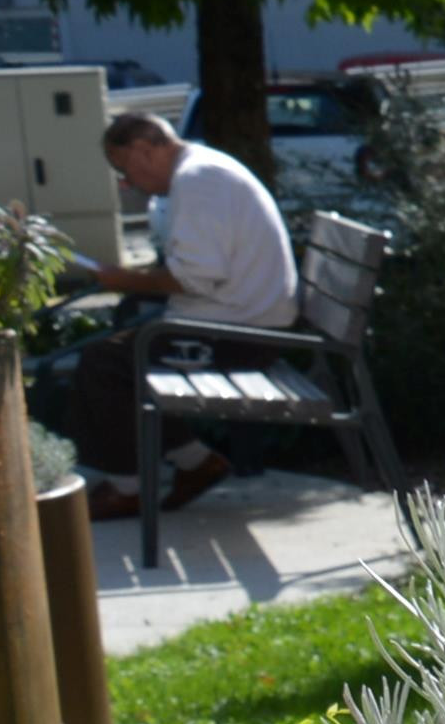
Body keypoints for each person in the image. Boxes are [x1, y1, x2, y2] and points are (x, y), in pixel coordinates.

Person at [72, 110, 299, 517]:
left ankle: (130, 488)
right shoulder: (202, 171)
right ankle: (196, 463)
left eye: (124, 169)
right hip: (240, 325)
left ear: (144, 149)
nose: (128, 184)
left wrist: (121, 280)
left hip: (240, 338)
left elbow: (195, 278)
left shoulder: (197, 182)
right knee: (114, 356)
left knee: (104, 364)